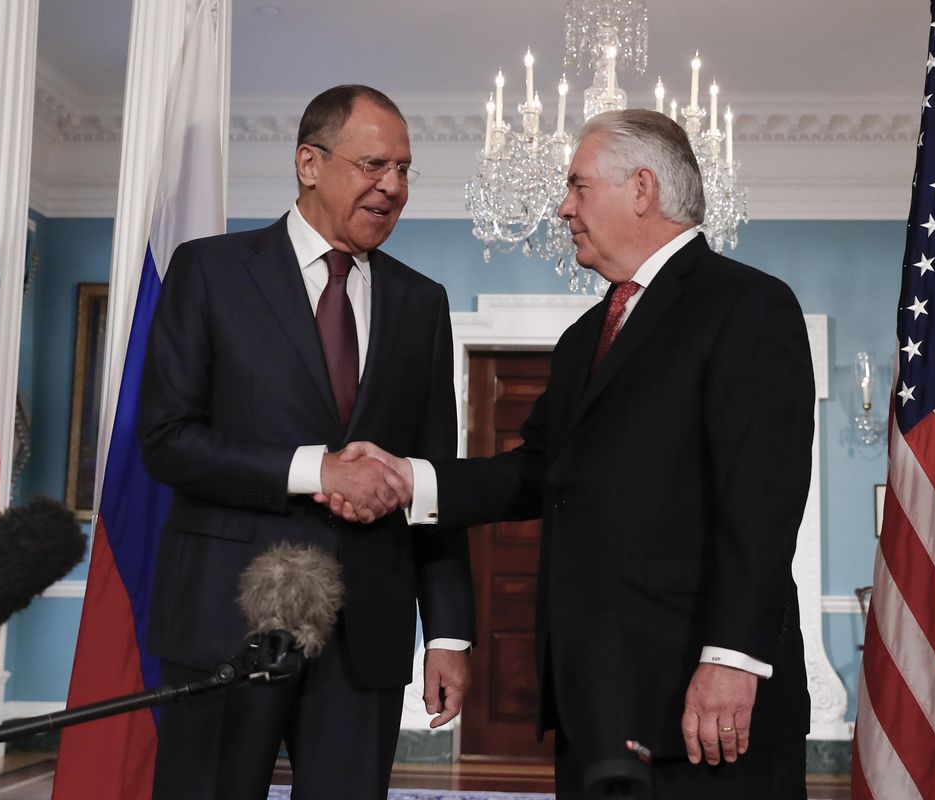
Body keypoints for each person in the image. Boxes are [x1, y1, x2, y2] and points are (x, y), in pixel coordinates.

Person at [325, 109, 814, 799]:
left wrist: (733, 659)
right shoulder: (589, 333)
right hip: (597, 701)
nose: (562, 207)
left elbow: (761, 505)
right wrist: (411, 481)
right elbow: (536, 472)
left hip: (705, 701)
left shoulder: (747, 306)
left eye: (578, 186)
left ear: (641, 189)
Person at [138, 85, 475, 800]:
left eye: (405, 170)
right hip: (225, 622)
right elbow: (167, 441)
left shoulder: (423, 302)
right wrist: (314, 470)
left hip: (367, 636)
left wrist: (448, 632)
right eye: (375, 164)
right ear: (308, 163)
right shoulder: (209, 272)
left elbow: (435, 477)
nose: (394, 187)